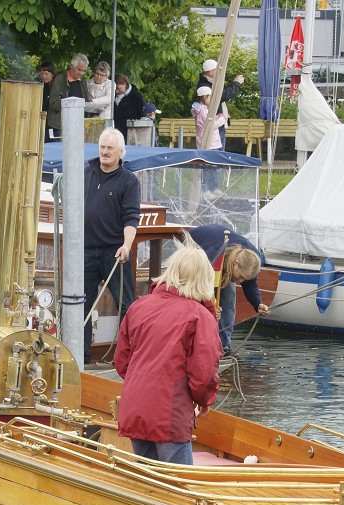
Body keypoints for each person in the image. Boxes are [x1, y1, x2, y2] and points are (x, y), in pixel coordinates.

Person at [113, 239, 222, 465]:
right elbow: (203, 373)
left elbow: (122, 361)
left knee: (145, 479)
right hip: (170, 412)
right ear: (204, 279)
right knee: (177, 484)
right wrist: (204, 400)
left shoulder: (139, 306)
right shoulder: (199, 316)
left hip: (135, 406)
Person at [84, 127, 140, 365]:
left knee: (126, 305)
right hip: (84, 251)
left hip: (114, 253)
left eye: (110, 148)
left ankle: (130, 358)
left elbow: (131, 216)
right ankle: (82, 358)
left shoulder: (129, 181)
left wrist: (126, 246)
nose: (105, 152)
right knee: (79, 305)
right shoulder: (85, 173)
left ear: (120, 152)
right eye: (102, 147)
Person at [189, 224, 271, 353]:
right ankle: (197, 345)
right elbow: (199, 286)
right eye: (241, 276)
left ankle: (224, 346)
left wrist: (258, 303)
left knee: (228, 300)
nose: (241, 281)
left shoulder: (252, 258)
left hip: (223, 260)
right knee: (203, 306)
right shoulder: (212, 253)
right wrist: (210, 305)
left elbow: (250, 283)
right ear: (236, 263)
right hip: (197, 246)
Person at [196, 59, 244, 149]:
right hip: (215, 124)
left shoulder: (212, 83)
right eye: (217, 70)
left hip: (217, 121)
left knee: (218, 153)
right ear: (210, 72)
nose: (220, 72)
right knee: (216, 154)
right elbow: (221, 97)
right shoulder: (205, 86)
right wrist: (236, 83)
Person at [47, 54, 91, 140]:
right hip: (60, 125)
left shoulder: (83, 82)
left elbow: (85, 101)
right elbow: (54, 103)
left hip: (77, 125)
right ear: (71, 66)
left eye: (84, 71)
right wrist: (71, 106)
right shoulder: (59, 80)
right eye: (79, 69)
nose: (81, 73)